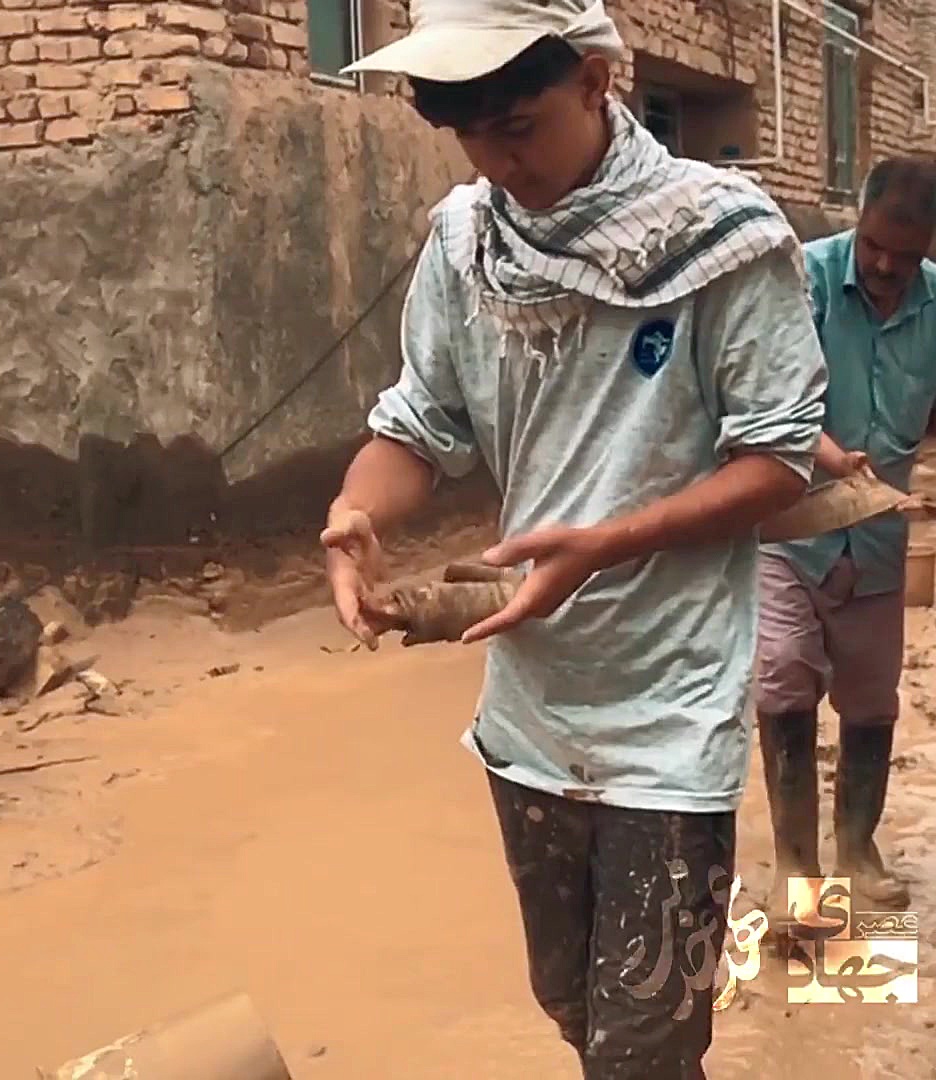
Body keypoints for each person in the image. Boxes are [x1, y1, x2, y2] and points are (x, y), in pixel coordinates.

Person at [318, 3, 829, 1074]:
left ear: (597, 81)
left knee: (644, 1042)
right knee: (571, 1005)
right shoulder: (468, 244)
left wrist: (606, 543)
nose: (498, 164)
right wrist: (357, 514)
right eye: (472, 137)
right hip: (532, 714)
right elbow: (419, 426)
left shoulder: (724, 238)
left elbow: (779, 459)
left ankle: (823, 912)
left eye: (518, 127)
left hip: (670, 713)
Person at [756, 159, 936, 915]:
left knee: (869, 699)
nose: (888, 267)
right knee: (783, 673)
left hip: (876, 542)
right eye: (874, 247)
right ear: (857, 219)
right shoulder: (802, 280)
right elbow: (767, 398)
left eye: (907, 254)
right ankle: (797, 871)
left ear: (931, 242)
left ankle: (858, 853)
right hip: (788, 528)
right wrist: (833, 459)